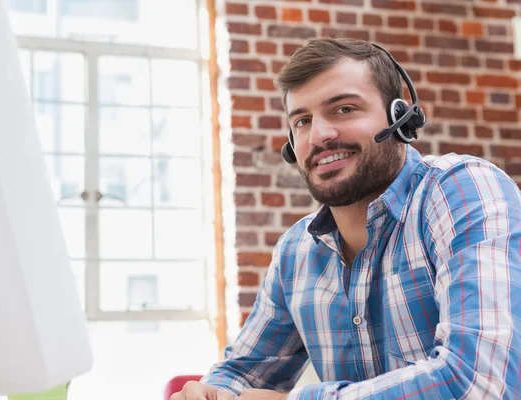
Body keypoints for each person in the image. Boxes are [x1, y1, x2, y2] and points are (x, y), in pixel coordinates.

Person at [171, 37, 521, 399]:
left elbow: (482, 383)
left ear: (399, 116)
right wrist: (212, 393)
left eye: (344, 109)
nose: (319, 135)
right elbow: (244, 375)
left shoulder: (462, 191)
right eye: (303, 121)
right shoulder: (296, 251)